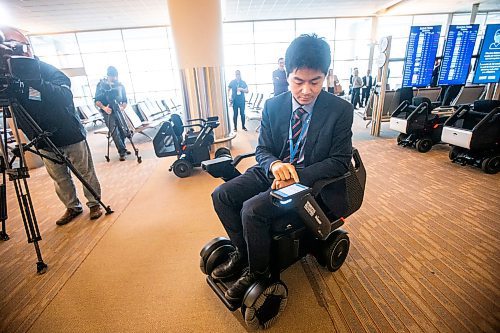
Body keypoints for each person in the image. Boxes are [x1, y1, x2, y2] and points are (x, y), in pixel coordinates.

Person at [211, 34, 353, 302]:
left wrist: (295, 175)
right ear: (286, 75)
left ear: (326, 76)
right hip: (273, 171)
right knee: (222, 195)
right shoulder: (273, 106)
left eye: (315, 81)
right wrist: (276, 165)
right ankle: (244, 254)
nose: (306, 90)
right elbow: (263, 150)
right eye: (298, 81)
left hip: (308, 182)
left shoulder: (339, 110)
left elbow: (340, 160)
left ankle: (258, 273)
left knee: (252, 210)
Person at [0, 26, 103, 225]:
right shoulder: (10, 79)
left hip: (69, 133)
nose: (12, 53)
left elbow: (64, 97)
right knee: (60, 178)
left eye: (16, 47)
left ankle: (94, 203)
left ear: (27, 48)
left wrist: (35, 83)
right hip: (42, 138)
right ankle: (72, 207)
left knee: (84, 172)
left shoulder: (47, 70)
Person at [95, 66, 131, 161]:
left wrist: (122, 107)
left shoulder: (120, 85)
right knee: (114, 132)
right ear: (108, 76)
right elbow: (97, 101)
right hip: (108, 112)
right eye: (112, 76)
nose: (114, 78)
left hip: (118, 110)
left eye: (116, 76)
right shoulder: (101, 85)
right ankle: (122, 152)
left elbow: (125, 100)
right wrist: (104, 108)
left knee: (122, 130)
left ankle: (122, 147)